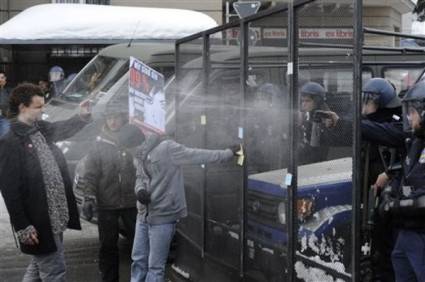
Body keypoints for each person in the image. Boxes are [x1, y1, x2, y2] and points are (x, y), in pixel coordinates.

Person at [0, 83, 91, 281]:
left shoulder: (38, 127)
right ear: (23, 107)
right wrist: (23, 226)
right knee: (54, 271)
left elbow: (62, 129)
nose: (43, 110)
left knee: (39, 266)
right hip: (39, 220)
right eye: (38, 107)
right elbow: (9, 190)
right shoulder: (10, 142)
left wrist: (82, 116)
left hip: (55, 215)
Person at [130, 134, 240, 282]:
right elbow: (140, 177)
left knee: (155, 267)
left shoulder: (168, 148)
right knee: (138, 261)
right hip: (143, 215)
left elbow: (198, 155)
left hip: (163, 216)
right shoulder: (140, 153)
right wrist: (140, 190)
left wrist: (227, 153)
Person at [81, 105, 145, 282]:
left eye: (116, 117)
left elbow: (146, 167)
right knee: (108, 247)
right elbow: (90, 174)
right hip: (107, 204)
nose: (113, 121)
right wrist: (89, 197)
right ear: (105, 120)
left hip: (133, 203)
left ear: (123, 118)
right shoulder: (98, 144)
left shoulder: (135, 138)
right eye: (109, 118)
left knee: (139, 246)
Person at [376, 80, 425, 281]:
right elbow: (406, 175)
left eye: (413, 112)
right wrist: (390, 191)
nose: (408, 117)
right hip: (407, 230)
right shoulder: (416, 142)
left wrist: (396, 206)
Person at [0, 71, 10, 137]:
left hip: (4, 118)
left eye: (2, 77)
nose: (0, 79)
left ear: (5, 79)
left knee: (5, 137)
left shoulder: (8, 91)